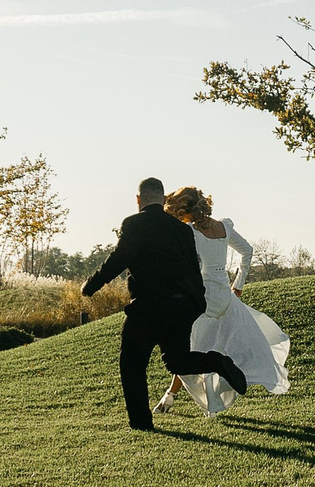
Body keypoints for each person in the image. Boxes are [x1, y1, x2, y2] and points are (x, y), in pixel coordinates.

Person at [82, 177, 249, 431]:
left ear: (138, 200)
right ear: (162, 200)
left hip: (147, 308)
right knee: (178, 361)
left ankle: (141, 423)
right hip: (180, 306)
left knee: (132, 363)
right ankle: (217, 362)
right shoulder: (182, 230)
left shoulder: (134, 223)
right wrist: (195, 305)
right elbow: (194, 270)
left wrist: (91, 286)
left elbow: (118, 259)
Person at [156, 186, 291, 415]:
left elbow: (193, 267)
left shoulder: (189, 233)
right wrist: (238, 284)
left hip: (202, 296)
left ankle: (173, 396)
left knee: (190, 349)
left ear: (185, 210)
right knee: (219, 348)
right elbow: (247, 251)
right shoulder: (223, 227)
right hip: (225, 297)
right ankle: (172, 395)